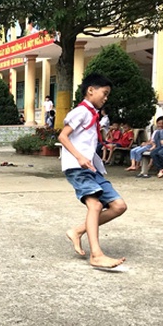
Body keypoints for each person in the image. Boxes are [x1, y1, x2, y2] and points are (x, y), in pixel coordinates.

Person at [58, 73, 127, 269]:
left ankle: (78, 231)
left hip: (92, 169)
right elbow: (63, 136)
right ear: (91, 90)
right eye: (104, 93)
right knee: (95, 206)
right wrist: (79, 157)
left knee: (119, 206)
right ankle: (96, 254)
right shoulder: (81, 112)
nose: (106, 98)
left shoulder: (92, 114)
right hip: (77, 168)